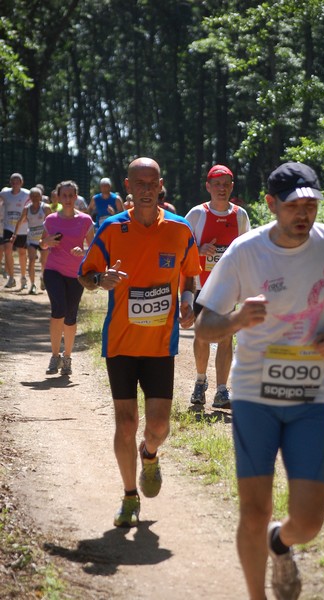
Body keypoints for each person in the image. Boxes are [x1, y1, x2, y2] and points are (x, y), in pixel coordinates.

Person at [195, 162, 324, 600]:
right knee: (253, 511)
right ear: (271, 205)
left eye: (311, 205)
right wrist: (236, 319)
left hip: (311, 397)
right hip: (254, 395)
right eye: (293, 207)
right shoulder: (245, 252)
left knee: (308, 523)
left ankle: (279, 542)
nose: (303, 214)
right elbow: (204, 324)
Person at [78, 157, 200, 529]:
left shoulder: (180, 230)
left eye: (152, 183)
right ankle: (130, 497)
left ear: (160, 185)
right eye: (139, 183)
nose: (146, 189)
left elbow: (191, 276)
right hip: (121, 342)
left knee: (158, 426)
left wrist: (188, 301)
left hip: (161, 344)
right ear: (127, 186)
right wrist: (101, 280)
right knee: (126, 421)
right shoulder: (111, 228)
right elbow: (85, 275)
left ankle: (150, 454)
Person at [185, 164, 251, 409]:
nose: (221, 189)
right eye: (217, 184)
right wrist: (199, 249)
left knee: (226, 337)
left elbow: (247, 250)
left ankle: (222, 391)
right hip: (202, 284)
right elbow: (181, 248)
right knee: (202, 335)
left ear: (232, 187)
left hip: (227, 287)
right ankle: (200, 382)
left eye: (226, 184)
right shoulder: (196, 215)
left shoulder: (240, 216)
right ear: (208, 187)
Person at [39, 180, 94, 376]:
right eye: (65, 196)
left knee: (70, 317)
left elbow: (94, 250)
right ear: (58, 197)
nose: (68, 199)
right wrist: (46, 242)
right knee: (59, 310)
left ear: (76, 197)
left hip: (75, 274)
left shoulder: (86, 220)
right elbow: (43, 244)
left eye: (72, 196)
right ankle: (55, 357)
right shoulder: (51, 219)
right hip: (53, 270)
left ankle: (67, 357)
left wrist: (84, 252)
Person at [12, 186, 51, 294]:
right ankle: (32, 284)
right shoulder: (27, 209)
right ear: (29, 197)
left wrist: (53, 236)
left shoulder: (46, 208)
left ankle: (43, 278)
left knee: (44, 262)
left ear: (41, 197)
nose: (35, 198)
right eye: (32, 196)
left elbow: (53, 221)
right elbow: (20, 221)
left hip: (44, 239)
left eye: (37, 196)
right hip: (31, 240)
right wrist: (14, 234)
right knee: (32, 260)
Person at [1, 173, 30, 289]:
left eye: (17, 181)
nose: (15, 183)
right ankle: (11, 278)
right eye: (13, 181)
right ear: (10, 182)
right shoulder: (5, 193)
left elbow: (36, 202)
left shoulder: (27, 194)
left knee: (22, 253)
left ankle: (23, 277)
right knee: (7, 249)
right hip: (8, 227)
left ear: (21, 183)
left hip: (22, 228)